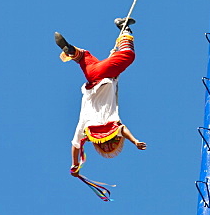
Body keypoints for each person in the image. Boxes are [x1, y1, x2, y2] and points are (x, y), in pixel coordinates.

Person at [54, 18, 146, 173]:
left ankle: (123, 28)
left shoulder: (110, 123)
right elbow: (75, 146)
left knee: (128, 55)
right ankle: (73, 52)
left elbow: (122, 130)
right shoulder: (85, 128)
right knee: (84, 57)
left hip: (104, 75)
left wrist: (135, 141)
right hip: (91, 76)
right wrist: (74, 165)